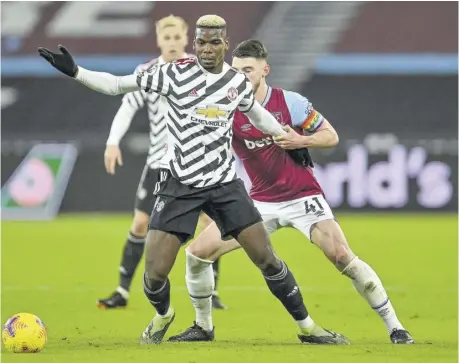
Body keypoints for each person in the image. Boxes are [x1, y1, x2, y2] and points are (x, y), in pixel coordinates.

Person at [38, 15, 348, 346]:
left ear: (225, 45)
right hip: (180, 184)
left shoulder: (236, 83)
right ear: (194, 44)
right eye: (201, 42)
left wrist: (288, 140)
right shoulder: (170, 75)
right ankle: (163, 315)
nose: (207, 48)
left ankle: (308, 328)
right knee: (154, 274)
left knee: (266, 258)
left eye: (215, 42)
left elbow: (260, 116)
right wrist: (75, 71)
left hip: (224, 185)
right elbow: (117, 85)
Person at [170, 39, 414, 345]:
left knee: (341, 255)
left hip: (303, 197)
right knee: (196, 253)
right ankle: (203, 327)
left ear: (265, 70)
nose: (241, 76)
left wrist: (301, 140)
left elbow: (330, 136)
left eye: (248, 70)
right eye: (236, 70)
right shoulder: (226, 109)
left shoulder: (291, 103)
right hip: (258, 202)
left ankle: (396, 327)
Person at [96, 14, 227, 311]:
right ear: (159, 40)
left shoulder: (200, 68)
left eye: (176, 37)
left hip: (196, 161)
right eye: (165, 38)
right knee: (141, 223)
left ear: (185, 40)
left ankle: (212, 293)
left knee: (209, 224)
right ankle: (121, 291)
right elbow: (127, 107)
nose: (171, 42)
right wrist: (112, 141)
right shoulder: (147, 72)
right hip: (159, 163)